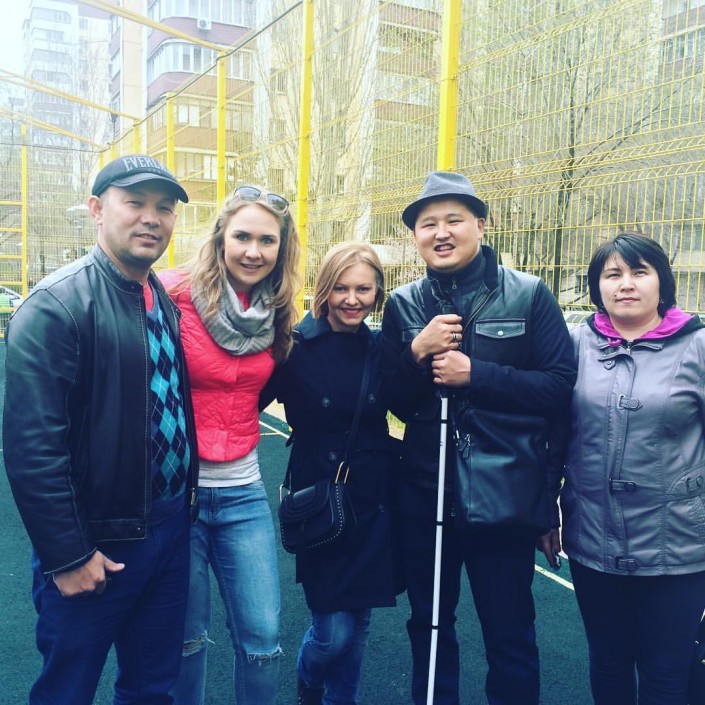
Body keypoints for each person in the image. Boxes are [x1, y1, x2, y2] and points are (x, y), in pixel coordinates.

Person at [2, 154, 198, 705]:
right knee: (67, 690)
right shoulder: (56, 306)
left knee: (151, 687)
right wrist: (68, 555)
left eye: (164, 208)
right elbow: (32, 448)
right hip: (98, 541)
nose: (151, 218)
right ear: (96, 209)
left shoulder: (158, 296)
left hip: (168, 527)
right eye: (135, 202)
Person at [380, 171, 577, 705]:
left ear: (481, 225)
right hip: (425, 493)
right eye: (428, 224)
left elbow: (559, 387)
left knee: (509, 631)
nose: (441, 233)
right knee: (429, 625)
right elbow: (392, 401)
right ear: (415, 235)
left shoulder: (530, 294)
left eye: (454, 220)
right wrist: (417, 353)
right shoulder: (402, 304)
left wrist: (478, 376)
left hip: (503, 494)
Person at [161, 185, 301, 705]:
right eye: (242, 236)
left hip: (243, 492)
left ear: (281, 248)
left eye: (267, 240)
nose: (253, 251)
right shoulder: (171, 293)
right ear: (221, 237)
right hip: (179, 493)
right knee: (186, 638)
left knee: (263, 640)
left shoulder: (278, 310)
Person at [558, 231, 705, 705]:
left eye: (640, 272)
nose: (626, 284)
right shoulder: (575, 343)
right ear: (596, 286)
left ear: (662, 281)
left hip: (678, 544)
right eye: (612, 274)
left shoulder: (698, 346)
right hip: (592, 537)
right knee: (608, 661)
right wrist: (545, 510)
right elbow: (552, 433)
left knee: (665, 671)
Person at [261, 241, 401, 705]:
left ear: (378, 292)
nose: (352, 299)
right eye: (341, 288)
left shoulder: (380, 348)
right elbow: (246, 402)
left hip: (371, 497)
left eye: (363, 289)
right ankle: (309, 676)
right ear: (324, 289)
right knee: (331, 633)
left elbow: (407, 401)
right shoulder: (295, 346)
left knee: (358, 621)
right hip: (320, 497)